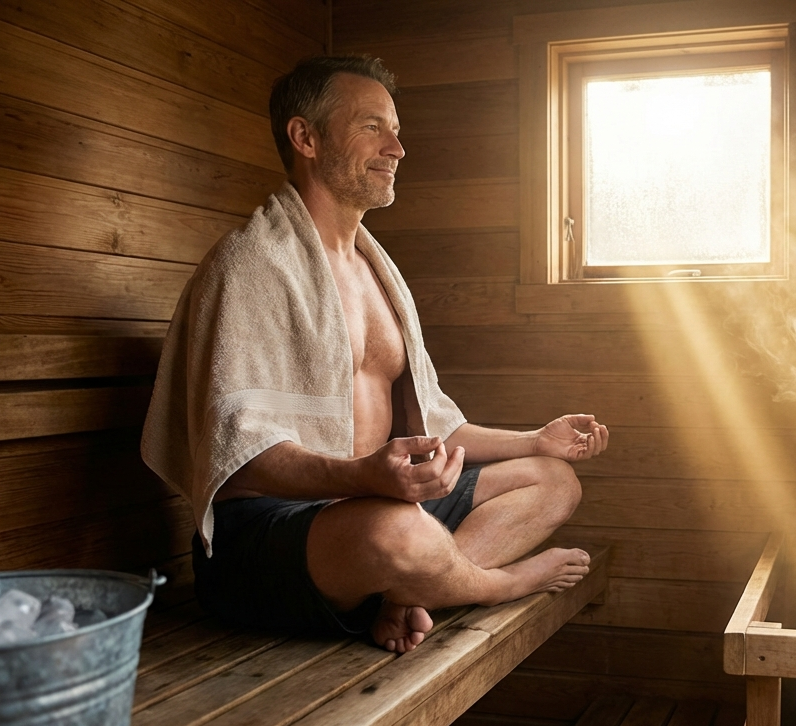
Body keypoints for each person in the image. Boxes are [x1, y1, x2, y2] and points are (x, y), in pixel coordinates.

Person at [141, 56, 608, 654]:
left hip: (376, 504)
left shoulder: (376, 272)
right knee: (394, 530)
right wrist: (363, 477)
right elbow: (239, 454)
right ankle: (490, 584)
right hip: (274, 535)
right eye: (371, 127)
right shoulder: (250, 266)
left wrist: (534, 440)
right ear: (305, 137)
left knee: (552, 481)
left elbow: (438, 427)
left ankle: (409, 595)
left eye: (395, 128)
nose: (397, 147)